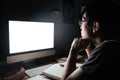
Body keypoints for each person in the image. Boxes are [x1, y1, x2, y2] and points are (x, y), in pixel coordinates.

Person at [61, 0, 120, 80]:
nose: (80, 25)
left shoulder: (105, 49)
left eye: (83, 20)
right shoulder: (112, 45)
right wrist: (88, 47)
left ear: (95, 26)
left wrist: (73, 51)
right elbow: (93, 68)